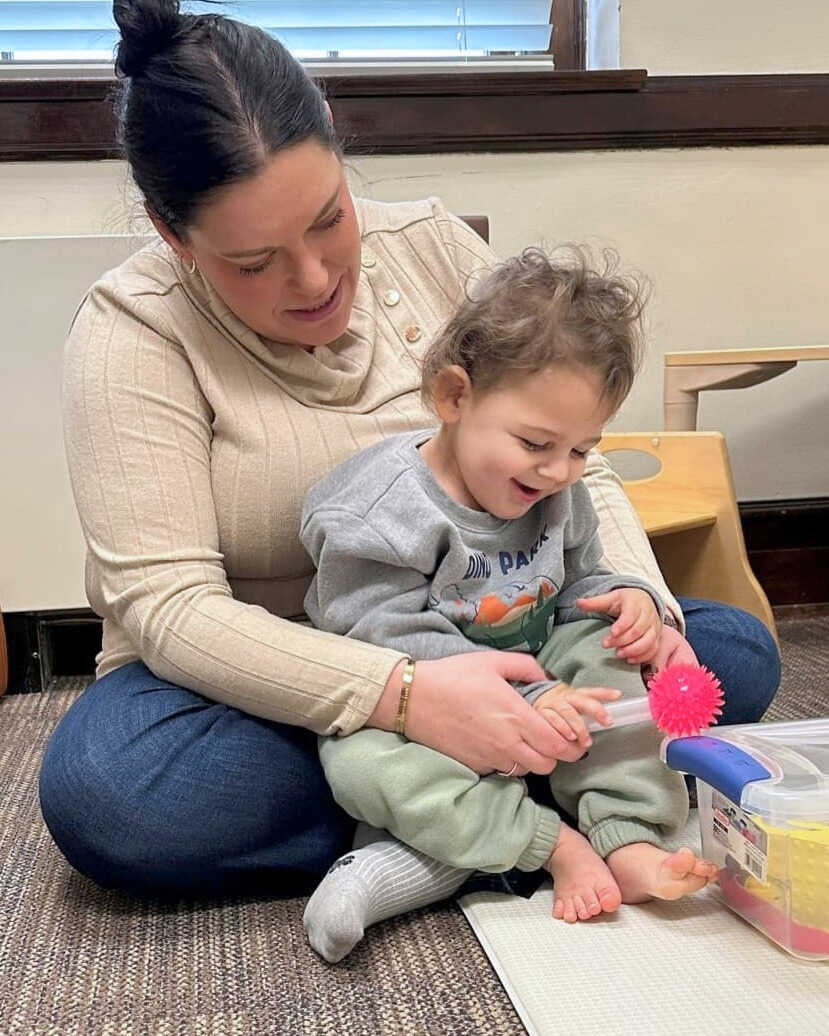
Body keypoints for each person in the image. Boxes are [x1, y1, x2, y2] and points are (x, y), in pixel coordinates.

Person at [38, 0, 780, 901]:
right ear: (171, 234)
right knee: (114, 793)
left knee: (728, 655)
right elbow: (169, 609)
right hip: (265, 682)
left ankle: (464, 806)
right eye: (253, 260)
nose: (313, 280)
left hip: (510, 629)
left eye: (327, 219)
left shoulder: (431, 246)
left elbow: (577, 468)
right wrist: (406, 697)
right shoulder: (131, 332)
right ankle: (547, 789)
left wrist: (645, 609)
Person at [299, 248, 719, 962]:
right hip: (419, 702)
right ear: (454, 397)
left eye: (582, 450)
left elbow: (583, 577)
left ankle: (625, 832)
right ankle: (541, 842)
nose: (558, 471)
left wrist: (631, 601)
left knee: (611, 644)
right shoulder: (380, 510)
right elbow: (377, 633)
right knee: (359, 759)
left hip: (542, 685)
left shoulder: (557, 490)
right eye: (535, 444)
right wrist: (529, 696)